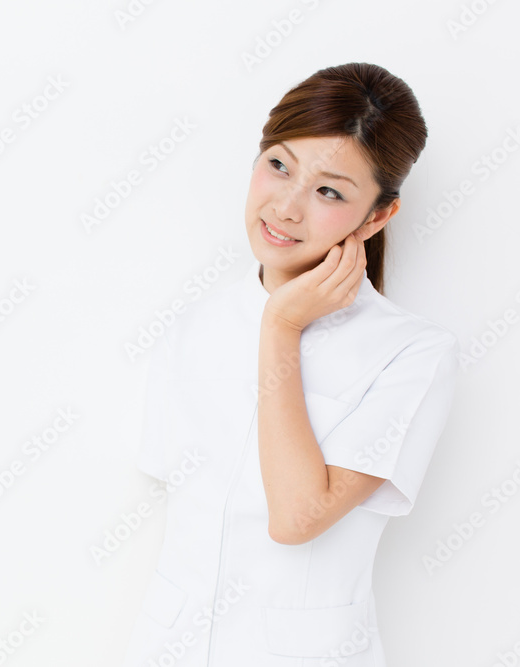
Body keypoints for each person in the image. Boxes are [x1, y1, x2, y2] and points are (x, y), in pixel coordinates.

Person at [122, 62, 461, 666]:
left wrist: (280, 326)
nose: (285, 206)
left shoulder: (412, 355)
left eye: (329, 191)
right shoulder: (191, 326)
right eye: (279, 165)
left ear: (377, 216)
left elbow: (297, 519)